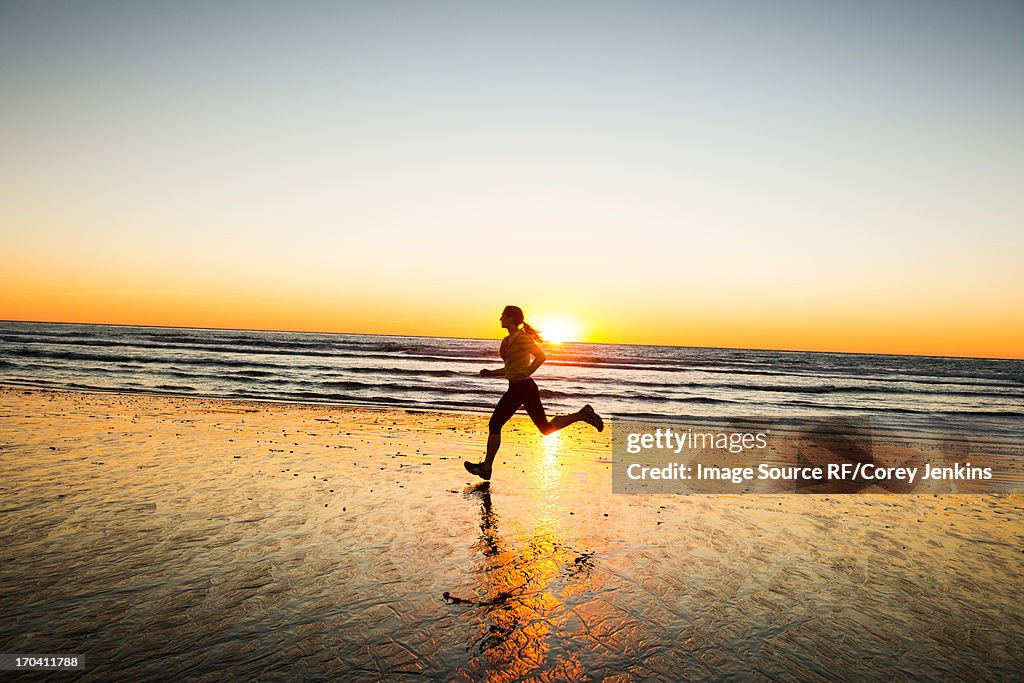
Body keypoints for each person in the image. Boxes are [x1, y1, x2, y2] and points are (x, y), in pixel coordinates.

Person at [464, 305, 603, 480]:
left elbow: (541, 356)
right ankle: (581, 415)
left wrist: (528, 372)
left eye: (503, 316)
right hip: (520, 387)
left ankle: (486, 468)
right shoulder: (508, 339)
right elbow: (511, 369)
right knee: (545, 428)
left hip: (523, 387)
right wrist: (492, 373)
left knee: (495, 424)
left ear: (512, 318)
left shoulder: (522, 338)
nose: (500, 319)